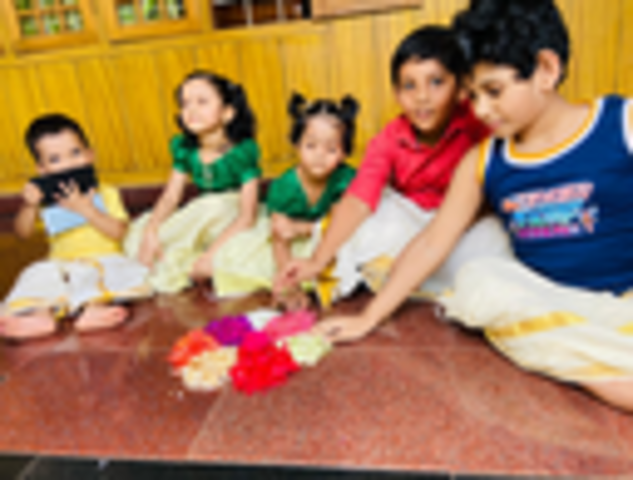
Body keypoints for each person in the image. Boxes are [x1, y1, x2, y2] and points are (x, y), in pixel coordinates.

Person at [312, 0, 633, 412]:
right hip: (548, 303)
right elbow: (432, 242)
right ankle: (612, 374)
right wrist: (368, 317)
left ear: (546, 69)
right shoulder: (483, 161)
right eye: (473, 94)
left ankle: (594, 361)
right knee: (480, 283)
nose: (480, 110)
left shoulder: (620, 122)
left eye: (493, 91)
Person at [276, 25, 509, 306]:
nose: (421, 97)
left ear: (461, 88)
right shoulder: (388, 138)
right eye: (409, 86)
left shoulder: (479, 123)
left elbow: (496, 187)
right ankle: (408, 276)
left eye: (436, 82)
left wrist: (454, 226)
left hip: (462, 221)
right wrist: (316, 261)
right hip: (410, 220)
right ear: (397, 94)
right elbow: (359, 200)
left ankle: (417, 277)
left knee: (496, 240)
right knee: (352, 222)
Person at [0, 114, 151, 340]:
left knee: (101, 278)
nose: (69, 163)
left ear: (90, 155)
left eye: (75, 153)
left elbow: (119, 232)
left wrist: (86, 210)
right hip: (61, 263)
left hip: (104, 257)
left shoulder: (106, 192)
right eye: (55, 159)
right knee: (36, 275)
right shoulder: (47, 200)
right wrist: (29, 206)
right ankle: (40, 315)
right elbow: (23, 233)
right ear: (42, 169)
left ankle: (94, 310)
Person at [212, 92, 359, 309]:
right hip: (289, 242)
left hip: (327, 239)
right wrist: (290, 283)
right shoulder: (284, 186)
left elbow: (340, 225)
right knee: (246, 262)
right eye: (311, 146)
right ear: (297, 145)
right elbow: (280, 237)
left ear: (344, 152)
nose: (319, 155)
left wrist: (302, 228)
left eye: (331, 149)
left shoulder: (345, 179)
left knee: (351, 254)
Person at [125, 71, 261, 294]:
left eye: (202, 102)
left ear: (227, 113)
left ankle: (206, 257)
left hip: (230, 217)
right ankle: (175, 250)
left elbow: (247, 217)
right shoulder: (185, 149)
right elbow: (171, 197)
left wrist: (210, 255)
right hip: (204, 216)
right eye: (185, 103)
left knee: (216, 207)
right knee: (142, 239)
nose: (191, 110)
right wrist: (151, 231)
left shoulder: (241, 152)